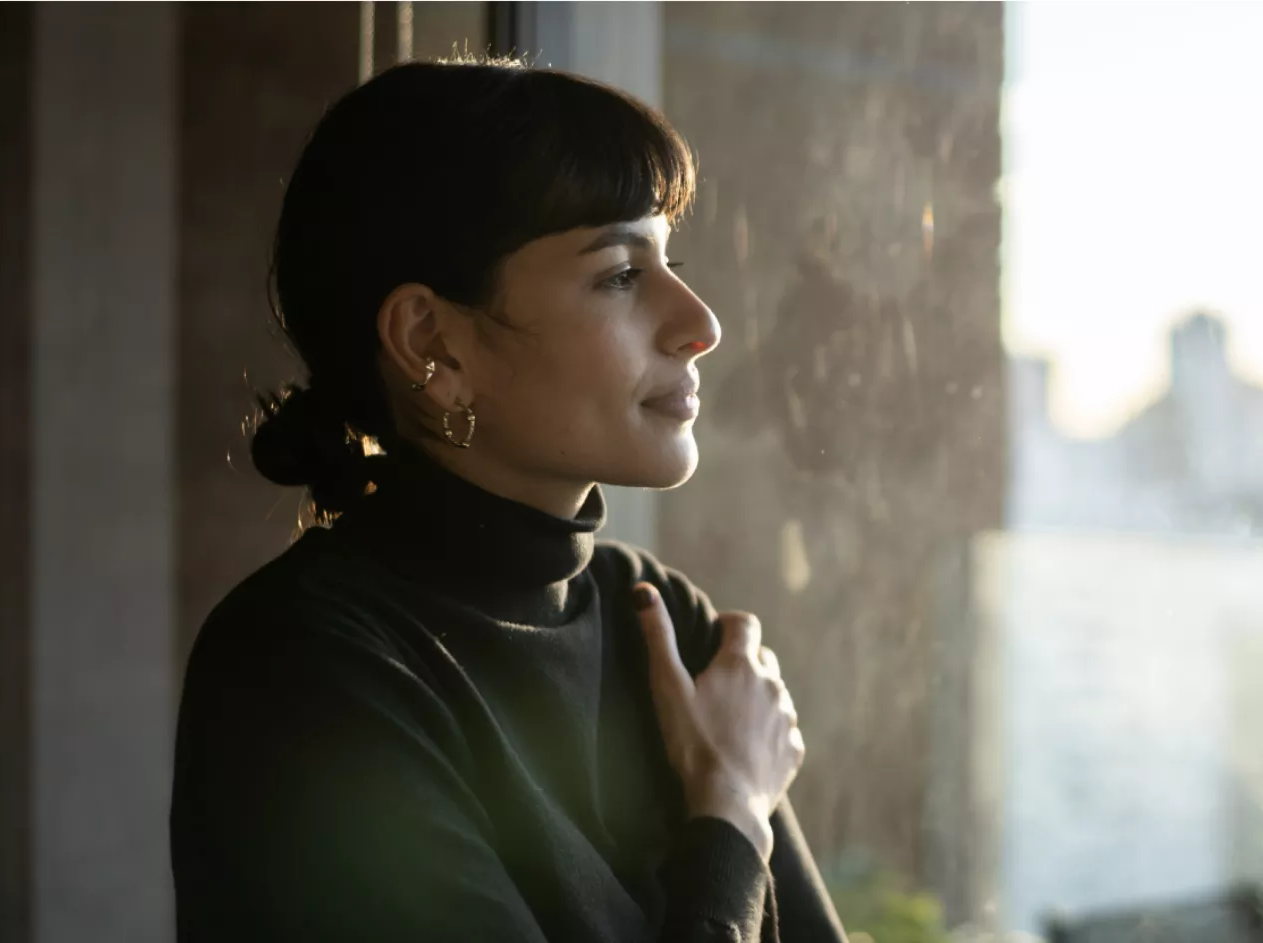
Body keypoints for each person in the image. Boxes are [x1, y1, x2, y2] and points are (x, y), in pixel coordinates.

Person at [170, 59, 845, 943]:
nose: (701, 323)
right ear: (432, 343)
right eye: (619, 274)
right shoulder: (299, 672)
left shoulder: (661, 623)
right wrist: (731, 815)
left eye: (669, 260)